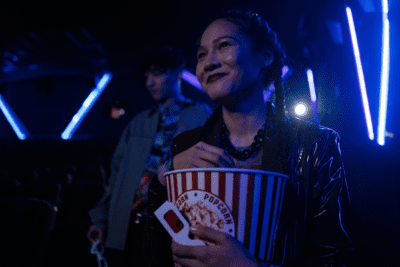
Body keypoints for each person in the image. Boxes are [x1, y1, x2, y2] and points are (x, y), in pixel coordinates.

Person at [144, 10, 354, 267]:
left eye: (223, 46)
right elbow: (157, 248)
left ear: (265, 56)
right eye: (201, 55)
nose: (208, 62)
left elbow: (335, 260)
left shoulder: (315, 145)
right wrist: (163, 181)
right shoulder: (185, 145)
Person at [86, 46, 211, 267]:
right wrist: (100, 221)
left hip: (178, 224)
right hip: (131, 224)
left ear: (177, 73)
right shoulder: (138, 121)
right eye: (147, 76)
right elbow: (116, 177)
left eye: (158, 73)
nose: (150, 82)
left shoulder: (201, 115)